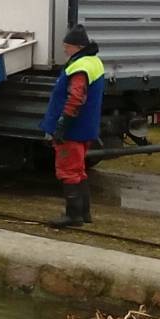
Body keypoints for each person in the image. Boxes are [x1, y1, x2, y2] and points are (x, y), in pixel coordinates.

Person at [39, 24, 104, 227]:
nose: (65, 50)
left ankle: (73, 215)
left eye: (67, 46)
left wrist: (61, 125)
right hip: (86, 127)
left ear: (77, 46)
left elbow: (76, 97)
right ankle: (84, 213)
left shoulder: (80, 67)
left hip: (73, 130)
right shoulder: (93, 62)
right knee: (79, 170)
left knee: (68, 170)